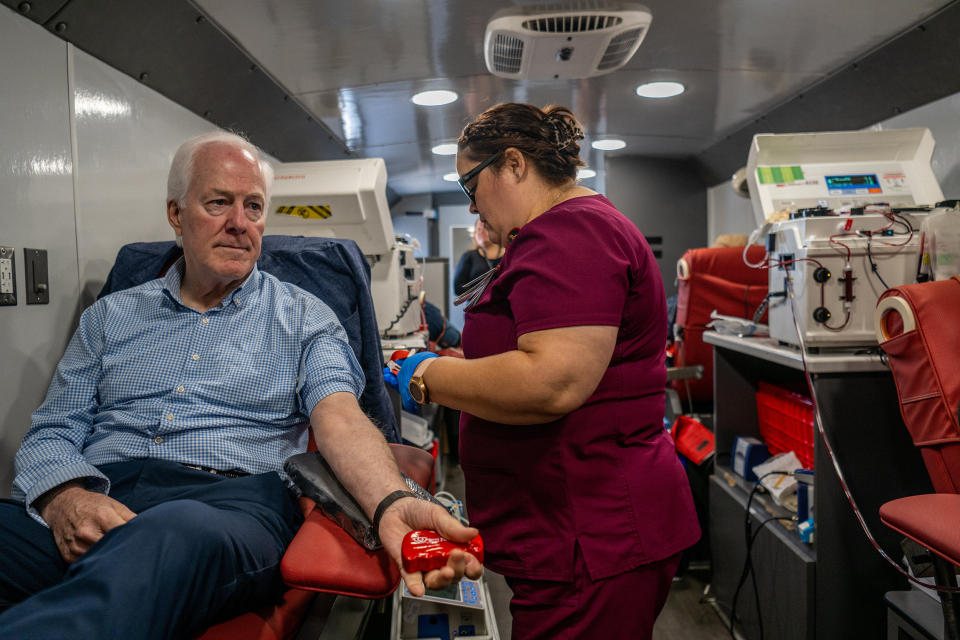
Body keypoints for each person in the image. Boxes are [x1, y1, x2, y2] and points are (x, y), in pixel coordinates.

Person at [0, 132, 481, 639]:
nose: (240, 223)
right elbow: (53, 430)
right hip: (102, 493)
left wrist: (389, 500)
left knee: (172, 535)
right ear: (176, 214)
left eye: (253, 206)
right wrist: (64, 500)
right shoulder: (109, 317)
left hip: (224, 508)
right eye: (218, 203)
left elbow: (339, 416)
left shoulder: (303, 317)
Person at [397, 103, 700, 639]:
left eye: (472, 184)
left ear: (513, 164)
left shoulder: (572, 233)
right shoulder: (560, 233)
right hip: (572, 525)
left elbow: (551, 382)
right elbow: (546, 350)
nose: (472, 206)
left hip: (592, 528)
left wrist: (423, 375)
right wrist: (465, 365)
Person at [453, 219, 504, 296]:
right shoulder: (469, 256)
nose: (482, 232)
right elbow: (458, 288)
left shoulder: (508, 253)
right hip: (477, 305)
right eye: (479, 229)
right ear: (475, 233)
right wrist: (482, 293)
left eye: (486, 228)